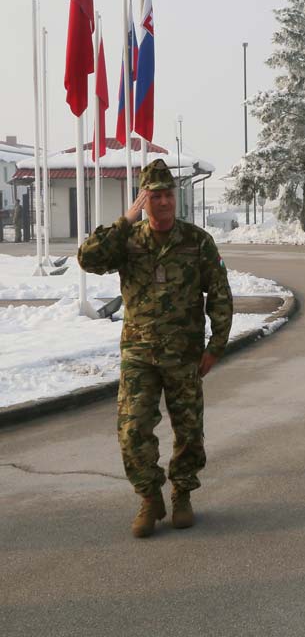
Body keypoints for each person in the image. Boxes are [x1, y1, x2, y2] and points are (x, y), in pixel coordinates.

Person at [78, 159, 233, 539]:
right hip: (139, 354)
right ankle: (150, 497)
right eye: (155, 197)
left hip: (184, 356)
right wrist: (124, 221)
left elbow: (220, 293)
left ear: (174, 198)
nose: (163, 203)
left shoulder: (196, 241)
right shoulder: (127, 241)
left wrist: (216, 346)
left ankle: (182, 493)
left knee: (189, 431)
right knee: (132, 431)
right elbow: (87, 258)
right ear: (144, 200)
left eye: (168, 195)